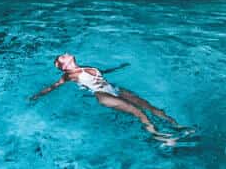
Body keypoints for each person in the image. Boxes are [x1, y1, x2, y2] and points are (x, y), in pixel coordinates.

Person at [31, 53, 182, 143]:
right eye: (62, 57)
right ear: (64, 66)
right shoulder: (69, 75)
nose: (65, 53)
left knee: (150, 107)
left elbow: (102, 72)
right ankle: (159, 137)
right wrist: (37, 96)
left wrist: (119, 67)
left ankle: (177, 126)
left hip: (113, 89)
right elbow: (53, 86)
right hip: (102, 95)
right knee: (138, 112)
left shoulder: (84, 67)